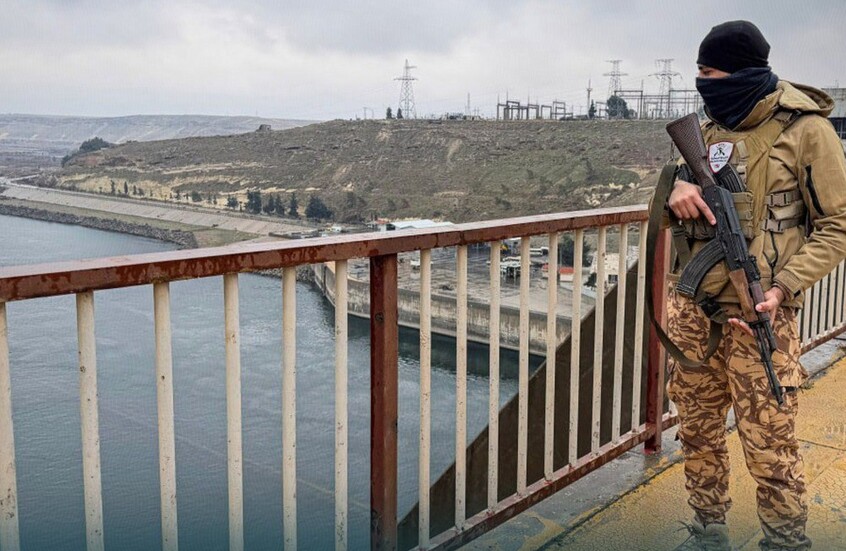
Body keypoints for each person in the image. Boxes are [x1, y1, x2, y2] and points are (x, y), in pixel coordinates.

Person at [664, 20, 846, 551]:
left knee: (770, 446)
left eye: (710, 72)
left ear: (742, 72)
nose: (702, 82)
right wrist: (674, 186)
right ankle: (707, 530)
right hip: (696, 313)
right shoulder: (707, 128)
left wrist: (783, 287)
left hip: (761, 314)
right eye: (699, 72)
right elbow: (682, 190)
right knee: (696, 433)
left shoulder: (806, 131)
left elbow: (838, 225)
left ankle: (785, 541)